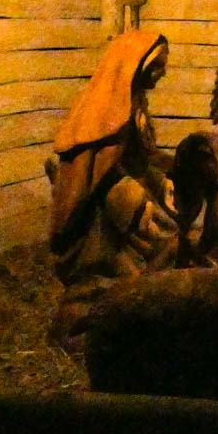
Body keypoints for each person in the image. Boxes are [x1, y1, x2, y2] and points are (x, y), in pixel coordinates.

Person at [47, 29, 184, 344]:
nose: (162, 74)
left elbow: (138, 159)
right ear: (135, 65)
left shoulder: (133, 102)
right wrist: (138, 201)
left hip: (126, 200)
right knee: (151, 252)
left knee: (169, 244)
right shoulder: (103, 112)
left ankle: (141, 317)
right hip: (102, 216)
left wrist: (161, 182)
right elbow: (99, 175)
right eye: (157, 66)